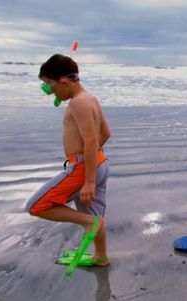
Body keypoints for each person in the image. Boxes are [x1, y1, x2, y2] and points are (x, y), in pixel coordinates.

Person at [26, 54, 111, 275]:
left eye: (49, 85)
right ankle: (101, 256)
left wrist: (87, 177)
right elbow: (106, 134)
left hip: (84, 168)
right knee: (95, 215)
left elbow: (91, 140)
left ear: (64, 81)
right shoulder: (90, 98)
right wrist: (93, 160)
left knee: (35, 206)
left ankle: (88, 223)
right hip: (99, 163)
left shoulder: (79, 103)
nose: (49, 90)